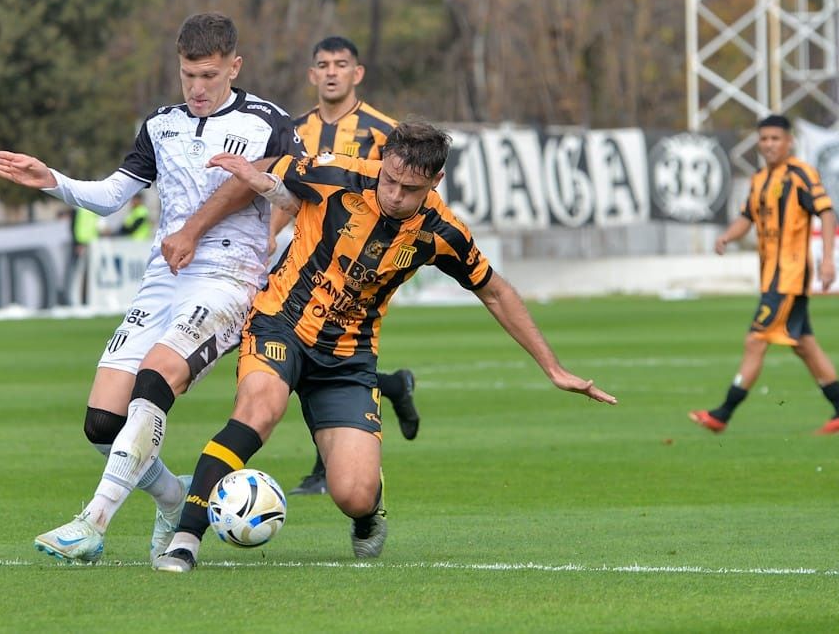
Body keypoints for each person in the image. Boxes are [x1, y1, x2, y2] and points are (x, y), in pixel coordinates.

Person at [153, 121, 616, 573]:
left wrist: (553, 369)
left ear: (436, 181)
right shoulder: (337, 172)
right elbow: (279, 169)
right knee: (259, 410)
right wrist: (259, 182)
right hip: (280, 323)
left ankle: (369, 512)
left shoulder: (442, 231)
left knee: (353, 493)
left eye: (409, 189)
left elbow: (495, 290)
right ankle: (185, 540)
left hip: (348, 357)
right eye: (389, 180)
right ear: (382, 163)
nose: (393, 195)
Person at [0, 12, 299, 564]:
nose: (197, 89)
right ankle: (174, 496)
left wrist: (258, 184)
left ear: (234, 66)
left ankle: (92, 522)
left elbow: (295, 201)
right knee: (103, 422)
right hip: (163, 278)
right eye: (187, 76)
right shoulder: (161, 124)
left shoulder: (267, 122)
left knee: (154, 380)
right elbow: (111, 196)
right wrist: (52, 180)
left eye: (207, 75)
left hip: (227, 278)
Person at [280, 35, 420, 496]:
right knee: (294, 350)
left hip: (364, 262)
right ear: (312, 75)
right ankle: (393, 388)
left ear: (357, 73)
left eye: (341, 64)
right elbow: (290, 193)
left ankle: (328, 469)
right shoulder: (295, 131)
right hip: (306, 254)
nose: (332, 72)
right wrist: (265, 242)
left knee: (328, 348)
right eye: (323, 64)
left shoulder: (387, 130)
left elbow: (415, 195)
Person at [689, 114, 839, 435]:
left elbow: (826, 213)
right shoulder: (759, 179)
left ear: (789, 141)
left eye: (775, 138)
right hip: (772, 276)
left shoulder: (800, 175)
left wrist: (827, 260)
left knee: (756, 340)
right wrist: (728, 236)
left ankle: (722, 414)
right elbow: (747, 217)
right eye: (764, 139)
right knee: (804, 344)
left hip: (789, 275)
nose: (769, 144)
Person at [60, 206, 99, 305]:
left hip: (91, 245)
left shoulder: (92, 205)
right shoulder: (79, 206)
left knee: (87, 275)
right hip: (80, 244)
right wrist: (78, 243)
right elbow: (75, 225)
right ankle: (69, 300)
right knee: (74, 273)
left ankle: (85, 300)